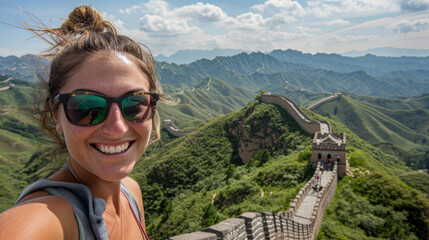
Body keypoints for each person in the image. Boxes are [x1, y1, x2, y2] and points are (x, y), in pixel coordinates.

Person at [0, 5, 165, 240]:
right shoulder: (52, 218)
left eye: (134, 104)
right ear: (56, 115)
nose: (117, 128)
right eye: (87, 108)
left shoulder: (131, 193)